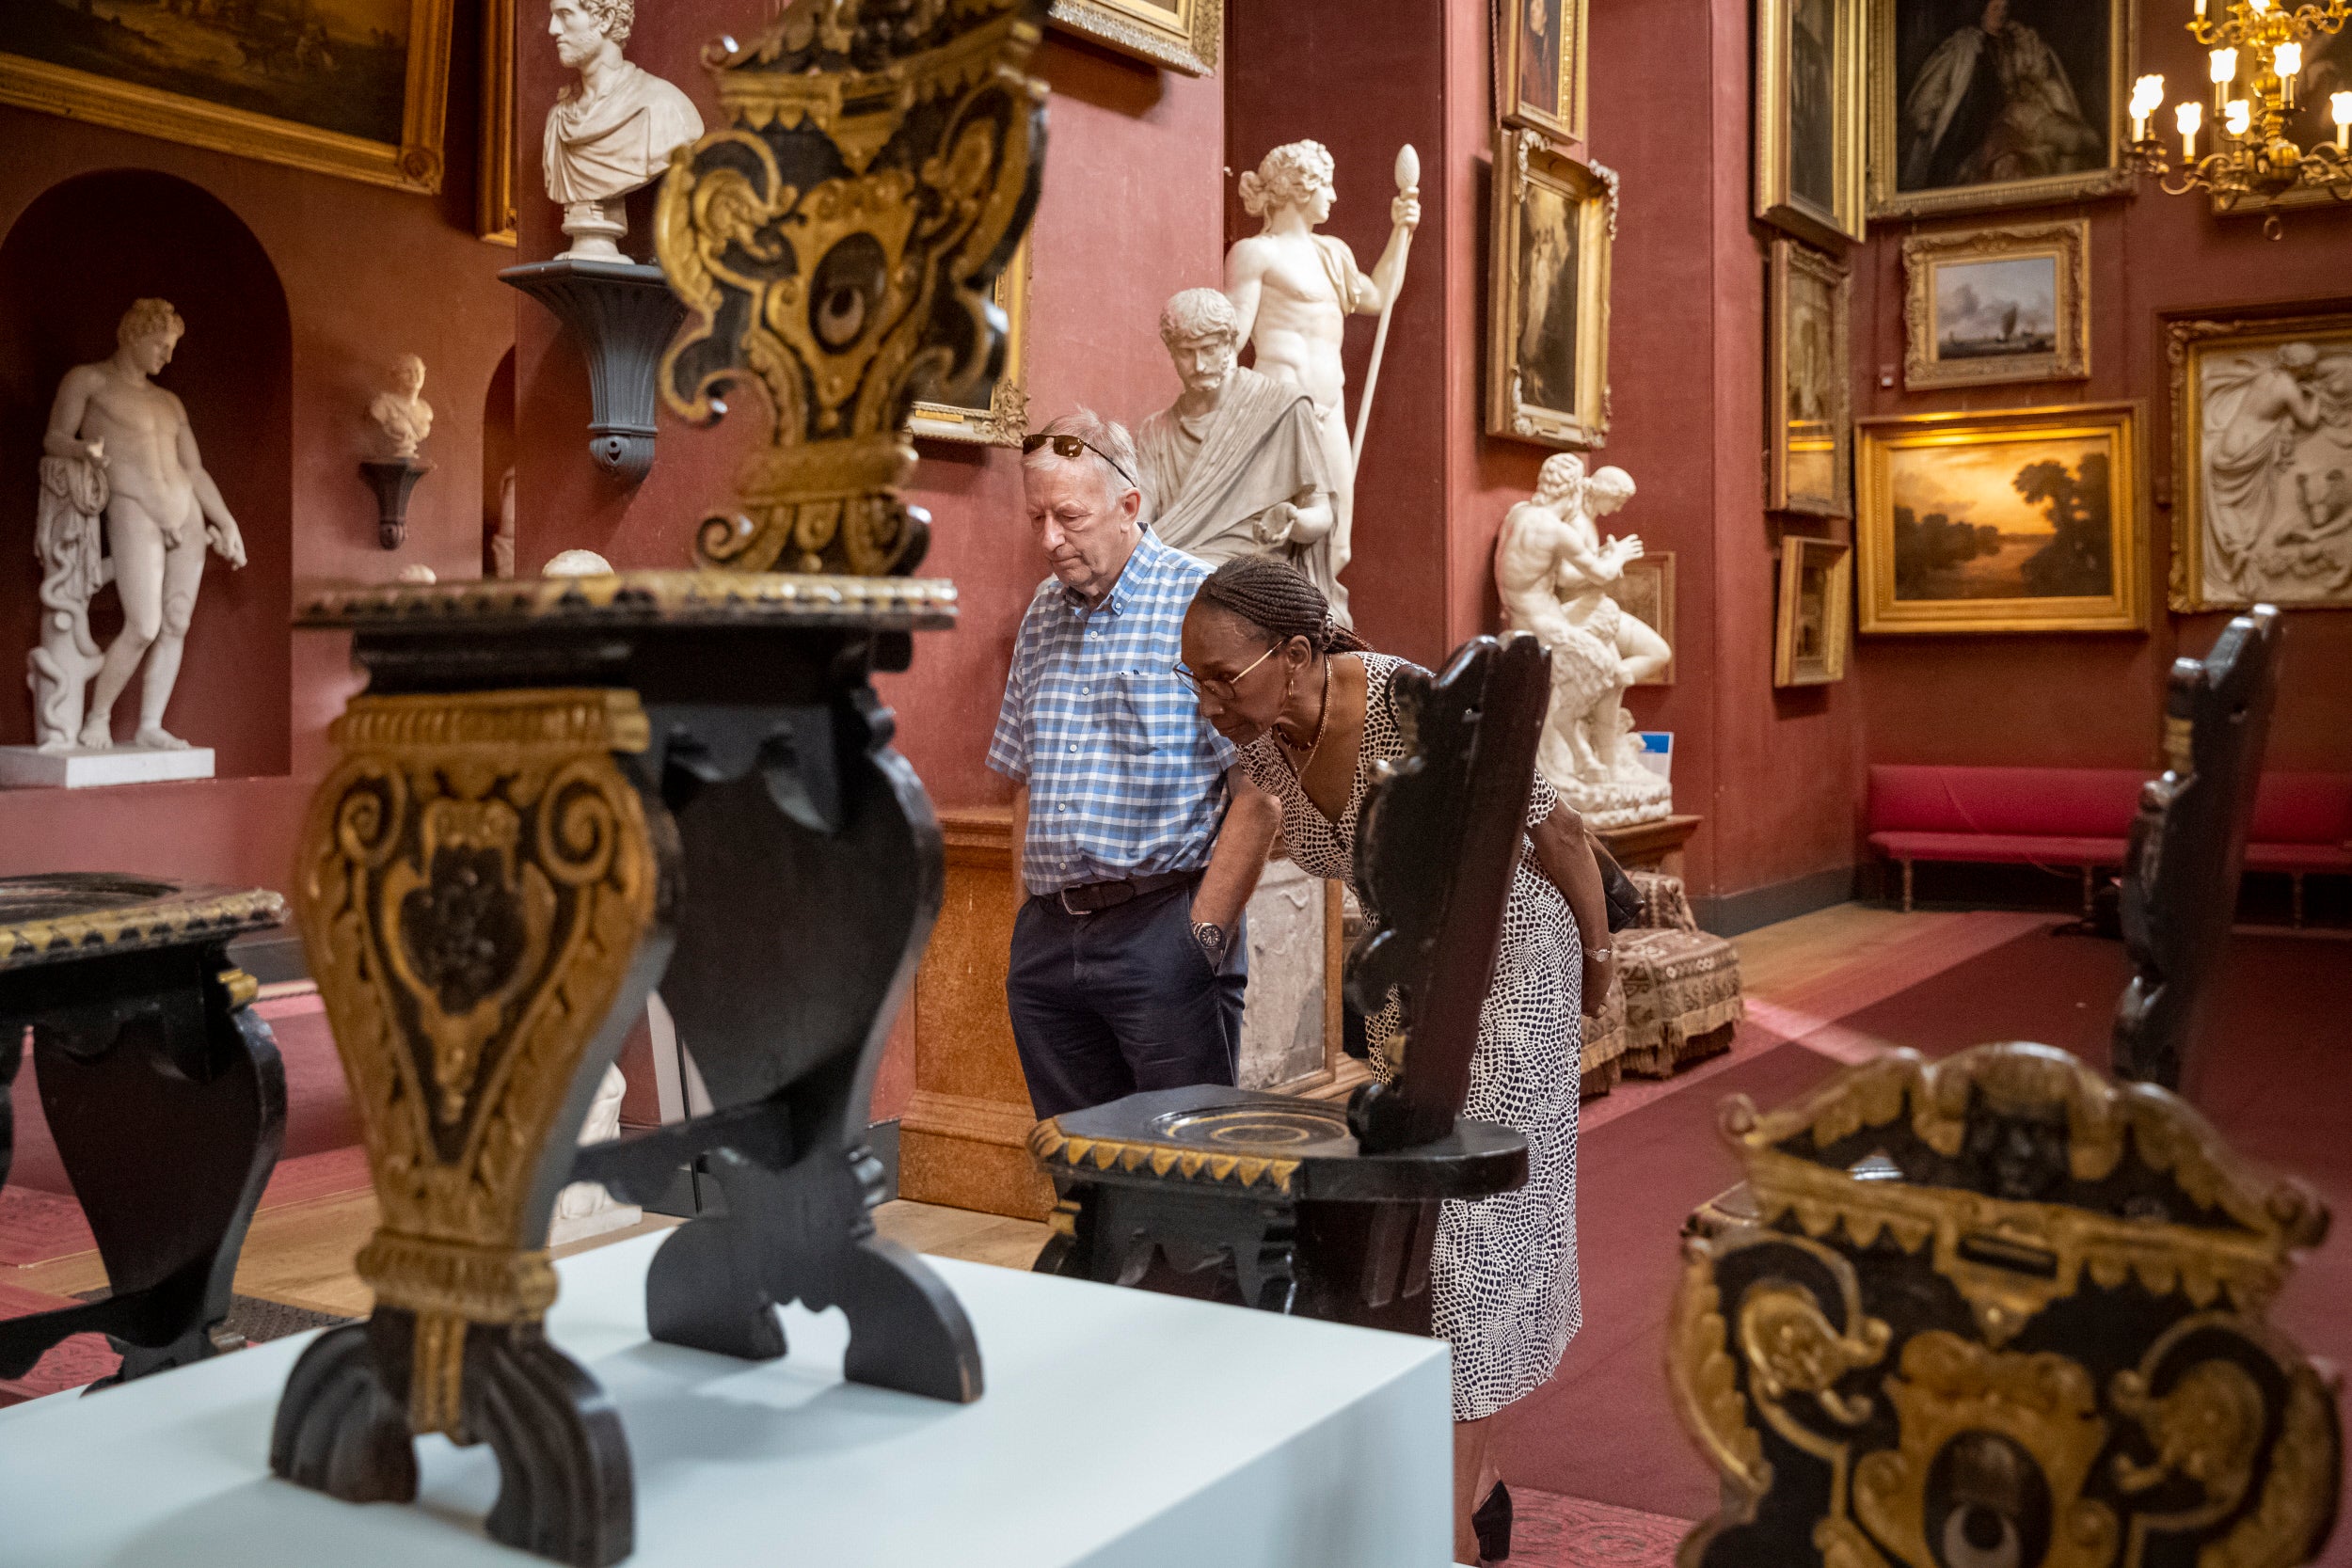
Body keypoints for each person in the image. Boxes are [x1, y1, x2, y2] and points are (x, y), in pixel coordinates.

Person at [1175, 554, 1613, 1566]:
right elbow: (1257, 826)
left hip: (1511, 966)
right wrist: (1194, 945)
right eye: (1192, 679)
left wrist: (1599, 962)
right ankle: (1480, 1491)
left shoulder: (1411, 704)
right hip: (1412, 988)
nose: (1207, 701)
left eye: (1221, 677)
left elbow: (1559, 829)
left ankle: (1445, 1526)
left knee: (1471, 1236)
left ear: (1294, 654)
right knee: (1418, 1235)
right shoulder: (1269, 738)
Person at [986, 410, 1283, 1118]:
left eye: (1069, 516)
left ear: (1129, 505)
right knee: (1078, 1165)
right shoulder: (1041, 613)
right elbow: (1026, 779)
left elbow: (1261, 792)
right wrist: (1025, 922)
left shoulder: (1204, 604)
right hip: (1049, 943)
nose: (1049, 539)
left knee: (1187, 1164)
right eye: (1036, 519)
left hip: (1163, 929)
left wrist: (1201, 937)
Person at [1224, 139, 1421, 625]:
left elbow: (1378, 297)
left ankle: (1313, 620)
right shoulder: (1255, 254)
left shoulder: (1333, 253)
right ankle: (1277, 621)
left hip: (1330, 406)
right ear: (1299, 187)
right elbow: (1232, 338)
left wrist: (1401, 232)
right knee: (1276, 529)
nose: (1333, 195)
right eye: (1325, 185)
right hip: (1279, 406)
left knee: (1338, 538)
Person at [42, 297, 246, 752]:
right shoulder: (88, 380)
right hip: (133, 506)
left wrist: (226, 522)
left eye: (171, 347)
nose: (167, 356)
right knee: (144, 625)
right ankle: (97, 717)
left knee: (176, 622)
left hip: (185, 511)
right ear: (134, 336)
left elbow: (193, 469)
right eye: (160, 345)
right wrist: (81, 451)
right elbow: (54, 438)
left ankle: (150, 724)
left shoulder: (169, 402)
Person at [1135, 287, 1337, 597]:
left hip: (1248, 571)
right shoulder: (1156, 431)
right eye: (1186, 352)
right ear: (1171, 352)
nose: (1199, 365)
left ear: (1230, 343)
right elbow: (1138, 518)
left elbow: (1321, 513)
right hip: (1172, 564)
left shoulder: (1284, 407)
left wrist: (1292, 520)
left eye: (1209, 349)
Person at [1899, 0, 2099, 192]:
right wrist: (1925, 114)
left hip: (2020, 114)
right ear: (1982, 12)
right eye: (1996, 8)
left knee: (2081, 139)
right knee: (2009, 165)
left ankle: (2067, 196)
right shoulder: (1965, 46)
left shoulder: (2019, 40)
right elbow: (1936, 83)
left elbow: (2040, 74)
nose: (2001, 14)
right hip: (1989, 125)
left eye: (2004, 8)